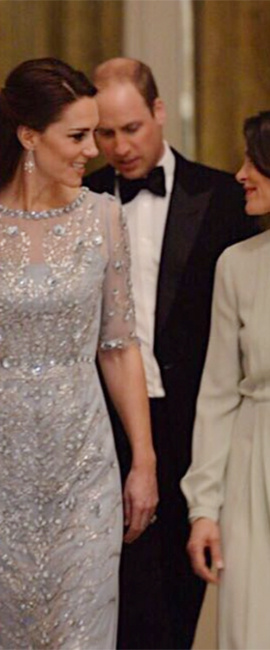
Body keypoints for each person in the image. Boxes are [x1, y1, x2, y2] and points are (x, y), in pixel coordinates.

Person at [0, 57, 158, 650]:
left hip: (85, 468)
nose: (93, 150)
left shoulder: (104, 217)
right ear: (28, 135)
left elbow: (119, 346)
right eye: (78, 136)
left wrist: (143, 461)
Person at [84, 58, 260, 650]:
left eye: (131, 128)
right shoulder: (79, 200)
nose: (120, 146)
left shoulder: (223, 196)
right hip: (102, 428)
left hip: (192, 426)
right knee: (107, 607)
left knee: (178, 608)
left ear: (159, 112)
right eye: (105, 133)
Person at [182, 111, 270, 649]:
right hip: (251, 471)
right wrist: (204, 509)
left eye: (253, 161)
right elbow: (216, 397)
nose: (240, 174)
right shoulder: (236, 266)